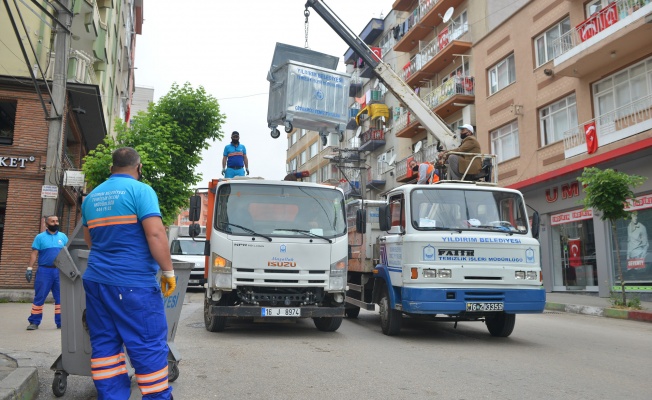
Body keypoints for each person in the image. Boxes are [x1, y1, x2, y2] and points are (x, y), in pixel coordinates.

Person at [81, 147, 176, 400]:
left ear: (111, 169)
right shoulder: (141, 190)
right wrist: (168, 271)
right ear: (139, 167)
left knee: (104, 346)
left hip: (97, 281)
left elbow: (90, 241)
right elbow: (155, 234)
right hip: (133, 284)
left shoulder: (91, 197)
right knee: (147, 345)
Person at [25, 215, 68, 330]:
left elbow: (68, 254)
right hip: (44, 271)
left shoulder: (63, 237)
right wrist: (29, 268)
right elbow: (34, 253)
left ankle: (61, 322)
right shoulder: (40, 237)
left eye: (57, 221)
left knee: (61, 298)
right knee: (40, 296)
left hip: (59, 271)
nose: (55, 223)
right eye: (52, 221)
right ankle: (34, 321)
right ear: (46, 224)